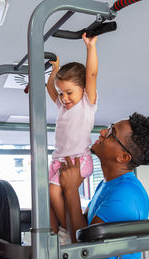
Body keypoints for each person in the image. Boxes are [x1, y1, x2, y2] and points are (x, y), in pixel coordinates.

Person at [59, 112, 149, 259]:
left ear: (123, 157)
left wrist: (71, 190)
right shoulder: (108, 184)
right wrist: (68, 189)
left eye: (111, 133)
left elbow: (83, 249)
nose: (102, 132)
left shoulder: (125, 195)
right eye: (110, 128)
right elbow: (81, 228)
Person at [46, 32, 99, 235]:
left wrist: (90, 48)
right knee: (48, 196)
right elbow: (50, 88)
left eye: (69, 92)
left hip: (78, 159)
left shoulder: (86, 103)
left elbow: (92, 75)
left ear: (83, 89)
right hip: (59, 159)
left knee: (53, 191)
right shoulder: (62, 106)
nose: (64, 98)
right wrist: (55, 70)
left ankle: (68, 229)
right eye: (62, 93)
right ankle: (59, 229)